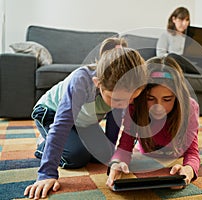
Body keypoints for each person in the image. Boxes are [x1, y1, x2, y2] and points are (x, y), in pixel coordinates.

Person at [24, 37, 148, 199]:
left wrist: (112, 157)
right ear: (98, 83)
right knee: (76, 157)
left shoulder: (125, 90)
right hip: (51, 114)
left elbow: (114, 124)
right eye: (116, 99)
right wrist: (46, 174)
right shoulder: (81, 81)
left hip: (83, 121)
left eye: (131, 99)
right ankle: (43, 143)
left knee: (102, 155)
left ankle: (71, 139)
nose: (123, 104)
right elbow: (62, 125)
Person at [106, 55, 200, 190]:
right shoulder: (134, 106)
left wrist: (189, 170)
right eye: (150, 98)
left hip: (175, 154)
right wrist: (115, 164)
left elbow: (192, 152)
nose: (158, 107)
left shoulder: (189, 107)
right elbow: (125, 146)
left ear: (177, 97)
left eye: (167, 99)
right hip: (146, 152)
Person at [156, 7, 202, 78]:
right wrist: (178, 57)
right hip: (177, 62)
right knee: (172, 57)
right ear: (173, 19)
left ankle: (195, 70)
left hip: (192, 62)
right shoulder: (166, 35)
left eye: (187, 20)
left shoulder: (189, 37)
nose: (184, 23)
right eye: (181, 19)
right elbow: (160, 55)